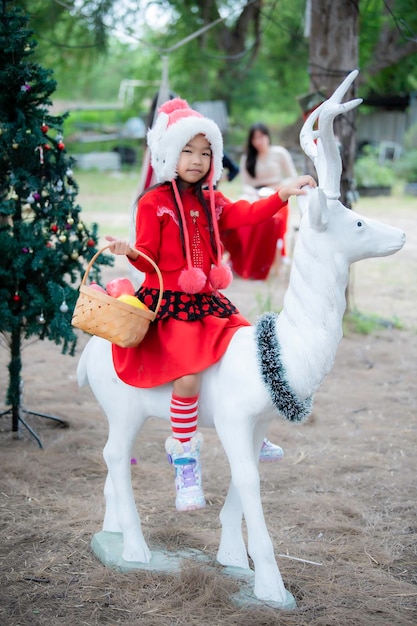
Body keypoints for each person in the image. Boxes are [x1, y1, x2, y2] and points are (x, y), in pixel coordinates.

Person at [105, 98, 316, 513]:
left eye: (206, 153)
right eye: (188, 150)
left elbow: (245, 214)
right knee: (188, 378)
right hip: (170, 303)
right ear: (168, 153)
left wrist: (282, 195)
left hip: (206, 300)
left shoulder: (211, 199)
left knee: (248, 347)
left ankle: (253, 430)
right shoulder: (153, 202)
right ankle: (184, 456)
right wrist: (129, 250)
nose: (197, 160)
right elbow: (146, 254)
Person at [223, 122, 298, 280]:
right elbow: (246, 185)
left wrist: (280, 187)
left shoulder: (279, 153)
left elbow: (292, 176)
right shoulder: (247, 158)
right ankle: (241, 260)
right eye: (255, 138)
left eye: (262, 136)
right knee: (241, 217)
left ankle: (258, 264)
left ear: (267, 137)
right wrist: (256, 195)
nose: (259, 141)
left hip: (277, 196)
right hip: (255, 197)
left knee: (268, 220)